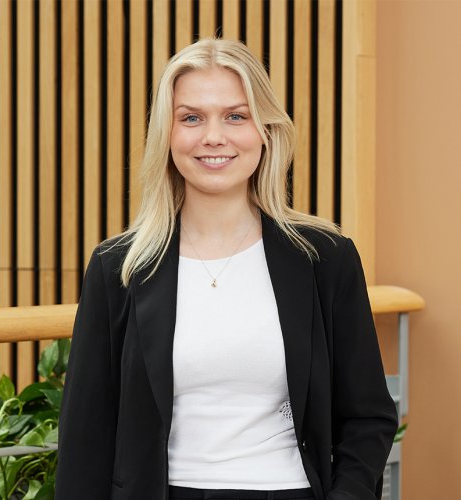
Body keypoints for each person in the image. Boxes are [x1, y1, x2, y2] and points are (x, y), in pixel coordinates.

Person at [55, 39, 397, 500]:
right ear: (167, 134)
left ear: (265, 130)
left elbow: (368, 416)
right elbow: (85, 436)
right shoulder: (119, 267)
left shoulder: (325, 258)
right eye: (191, 118)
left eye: (236, 116)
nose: (213, 136)